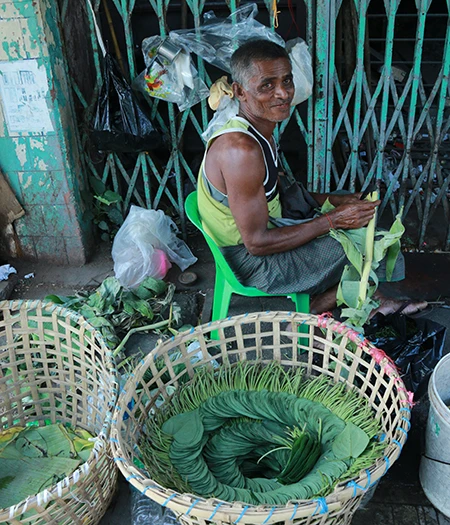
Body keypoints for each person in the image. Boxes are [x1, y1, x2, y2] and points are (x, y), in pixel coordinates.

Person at [197, 39, 427, 316]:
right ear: (239, 91)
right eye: (267, 85)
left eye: (287, 80)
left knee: (354, 213)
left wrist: (335, 202)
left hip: (267, 229)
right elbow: (257, 244)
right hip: (250, 264)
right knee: (356, 244)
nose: (283, 93)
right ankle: (320, 305)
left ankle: (363, 294)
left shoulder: (258, 131)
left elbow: (276, 192)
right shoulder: (240, 150)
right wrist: (334, 220)